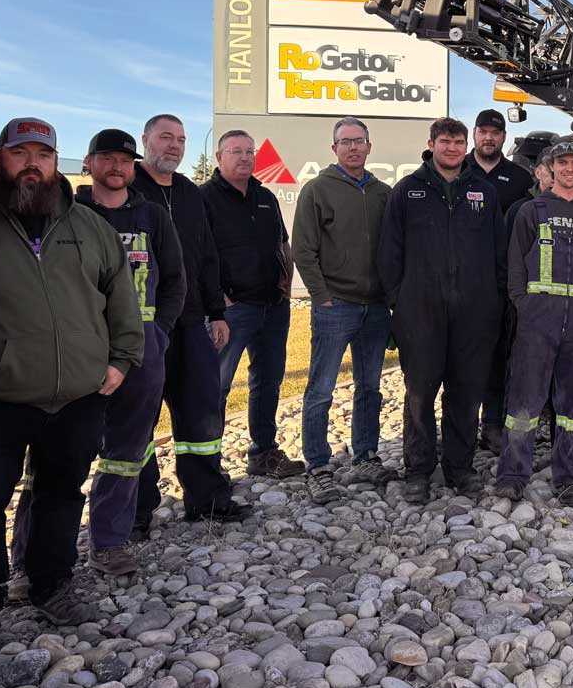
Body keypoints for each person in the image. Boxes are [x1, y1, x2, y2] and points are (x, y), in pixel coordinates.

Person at [0, 118, 143, 646]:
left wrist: (120, 359)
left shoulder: (89, 228)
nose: (33, 164)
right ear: (0, 158)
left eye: (43, 154)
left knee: (61, 495)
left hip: (78, 396)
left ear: (56, 162)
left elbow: (122, 297)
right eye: (21, 153)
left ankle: (51, 586)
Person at [13, 128, 185, 578]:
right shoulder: (65, 213)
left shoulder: (151, 216)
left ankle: (108, 542)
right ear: (87, 163)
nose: (116, 167)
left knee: (126, 452)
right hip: (77, 349)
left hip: (142, 350)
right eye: (106, 158)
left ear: (134, 167)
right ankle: (29, 556)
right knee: (50, 456)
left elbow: (175, 281)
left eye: (125, 161)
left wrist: (158, 333)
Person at [379, 117, 505, 502]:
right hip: (420, 312)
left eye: (458, 141)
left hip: (474, 312)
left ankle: (460, 468)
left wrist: (495, 300)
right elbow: (390, 253)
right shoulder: (407, 192)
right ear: (431, 144)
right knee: (420, 393)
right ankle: (417, 469)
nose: (452, 148)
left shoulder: (483, 192)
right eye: (445, 141)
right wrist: (399, 301)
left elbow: (499, 253)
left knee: (466, 393)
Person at [131, 114, 244, 525]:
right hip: (141, 326)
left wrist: (217, 312)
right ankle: (137, 511)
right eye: (165, 137)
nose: (174, 146)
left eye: (180, 139)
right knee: (137, 419)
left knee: (201, 414)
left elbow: (207, 256)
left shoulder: (190, 194)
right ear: (145, 139)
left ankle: (207, 500)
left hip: (192, 321)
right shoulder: (128, 190)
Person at [496, 138, 573, 508]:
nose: (569, 169)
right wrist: (526, 307)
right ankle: (513, 475)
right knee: (524, 406)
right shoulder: (533, 211)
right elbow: (515, 268)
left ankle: (567, 478)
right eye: (562, 162)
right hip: (537, 325)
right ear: (551, 167)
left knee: (572, 408)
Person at [293, 117, 395, 503]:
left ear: (370, 147)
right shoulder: (317, 190)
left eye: (359, 141)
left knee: (370, 387)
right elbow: (303, 248)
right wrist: (322, 296)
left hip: (375, 307)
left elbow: (393, 247)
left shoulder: (383, 193)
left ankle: (366, 455)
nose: (353, 147)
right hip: (337, 305)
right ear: (333, 148)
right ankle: (317, 466)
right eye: (345, 141)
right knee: (321, 389)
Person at [202, 130, 304, 479]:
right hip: (232, 310)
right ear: (219, 157)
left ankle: (263, 453)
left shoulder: (265, 196)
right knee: (216, 386)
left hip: (273, 306)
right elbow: (197, 254)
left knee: (268, 381)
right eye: (235, 151)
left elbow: (282, 244)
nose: (244, 157)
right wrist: (218, 299)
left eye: (249, 151)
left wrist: (287, 285)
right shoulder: (204, 198)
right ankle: (207, 464)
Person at [467, 109, 537, 455]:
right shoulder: (457, 171)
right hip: (464, 284)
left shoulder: (520, 178)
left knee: (499, 357)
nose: (489, 138)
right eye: (483, 132)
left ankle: (492, 425)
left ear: (504, 137)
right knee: (463, 358)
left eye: (496, 133)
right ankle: (460, 427)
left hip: (504, 285)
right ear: (474, 134)